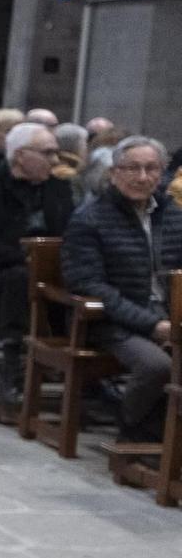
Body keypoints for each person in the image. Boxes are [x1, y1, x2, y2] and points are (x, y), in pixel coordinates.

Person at [63, 136, 182, 445]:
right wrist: (152, 325)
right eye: (132, 168)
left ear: (162, 173)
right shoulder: (90, 219)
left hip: (169, 317)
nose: (142, 177)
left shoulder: (173, 216)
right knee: (157, 365)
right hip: (110, 320)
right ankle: (132, 432)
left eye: (151, 168)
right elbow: (89, 285)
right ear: (114, 173)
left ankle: (168, 437)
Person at [0, 122, 74, 415]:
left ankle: (81, 373)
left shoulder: (59, 189)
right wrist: (24, 257)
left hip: (51, 279)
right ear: (20, 156)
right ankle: (11, 369)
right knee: (18, 278)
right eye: (48, 153)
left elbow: (72, 235)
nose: (55, 160)